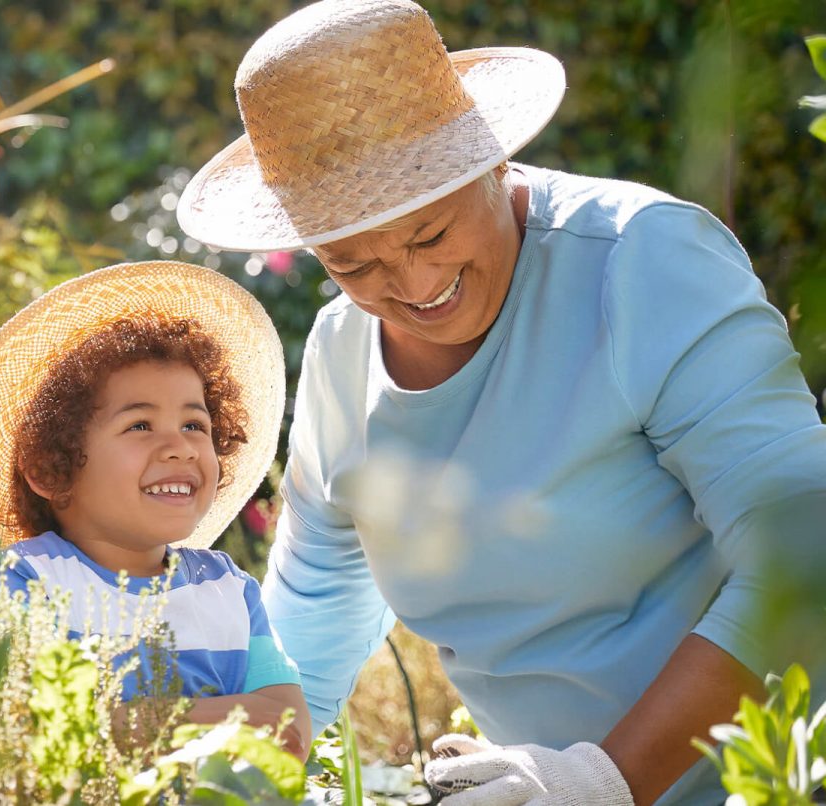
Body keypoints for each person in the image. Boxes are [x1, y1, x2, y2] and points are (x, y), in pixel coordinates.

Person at [174, 1, 826, 804]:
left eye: (429, 234)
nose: (413, 287)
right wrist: (226, 781)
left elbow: (805, 554)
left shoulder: (642, 264)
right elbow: (314, 618)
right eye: (352, 262)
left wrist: (603, 780)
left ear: (488, 159)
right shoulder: (343, 355)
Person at [0, 261, 311, 755]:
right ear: (51, 469)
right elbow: (39, 730)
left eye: (196, 426)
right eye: (140, 426)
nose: (181, 448)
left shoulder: (229, 589)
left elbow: (289, 730)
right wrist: (232, 717)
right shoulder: (24, 581)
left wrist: (133, 721)